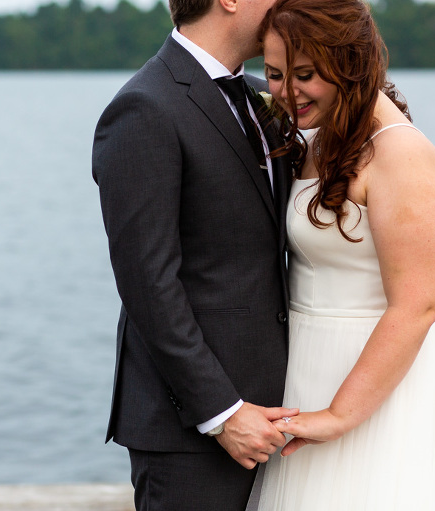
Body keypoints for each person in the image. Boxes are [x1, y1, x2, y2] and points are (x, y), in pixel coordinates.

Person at [247, 0, 435, 509]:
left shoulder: (403, 154)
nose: (285, 92)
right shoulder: (321, 135)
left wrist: (339, 416)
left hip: (378, 386)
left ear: (349, 62)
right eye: (275, 74)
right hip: (313, 364)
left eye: (304, 74)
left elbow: (415, 304)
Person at [91, 0, 300, 508]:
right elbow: (148, 284)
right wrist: (222, 414)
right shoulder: (144, 108)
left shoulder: (264, 96)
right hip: (192, 432)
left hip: (283, 417)